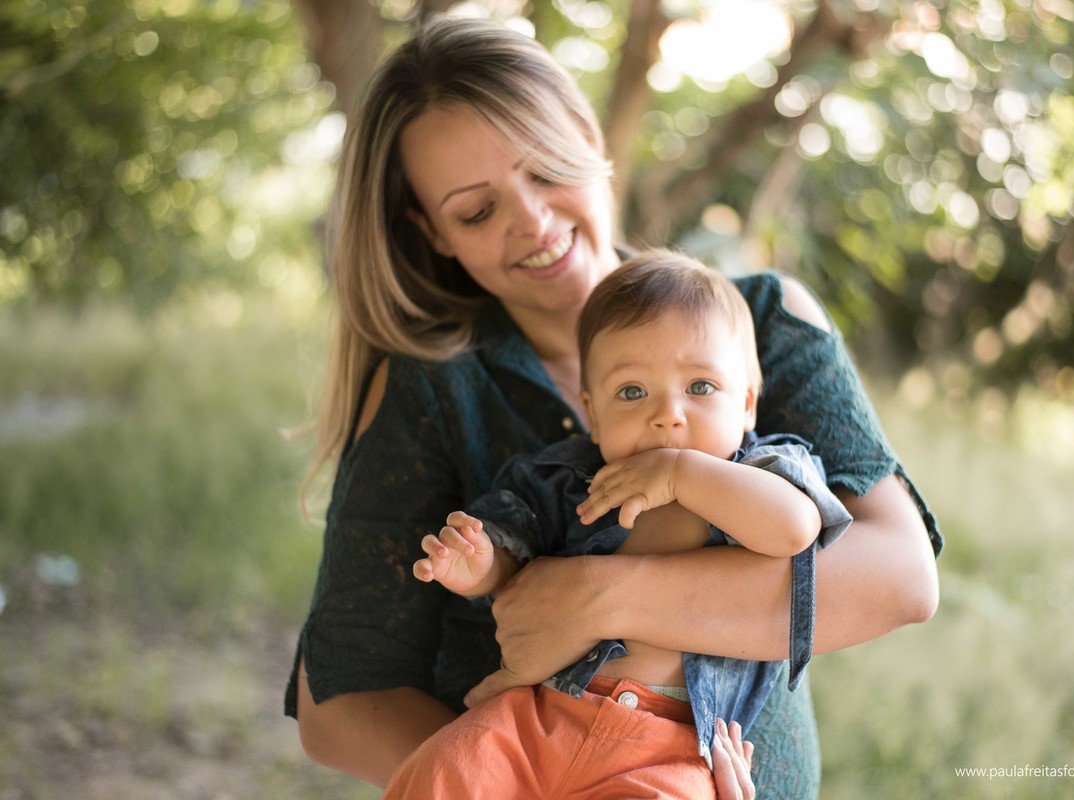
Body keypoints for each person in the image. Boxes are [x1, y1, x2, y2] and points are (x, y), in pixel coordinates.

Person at [286, 15, 942, 800]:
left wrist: (598, 596)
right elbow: (338, 703)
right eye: (475, 211)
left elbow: (898, 578)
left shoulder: (759, 320)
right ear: (433, 235)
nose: (529, 221)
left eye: (544, 168)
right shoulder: (434, 385)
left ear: (589, 138)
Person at [388, 252, 854, 799]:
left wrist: (682, 474)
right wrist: (481, 563)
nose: (667, 414)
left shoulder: (762, 471)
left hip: (672, 748)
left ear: (748, 402)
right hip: (542, 716)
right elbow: (515, 541)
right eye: (632, 392)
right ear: (592, 412)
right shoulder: (570, 479)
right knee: (442, 771)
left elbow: (795, 529)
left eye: (700, 387)